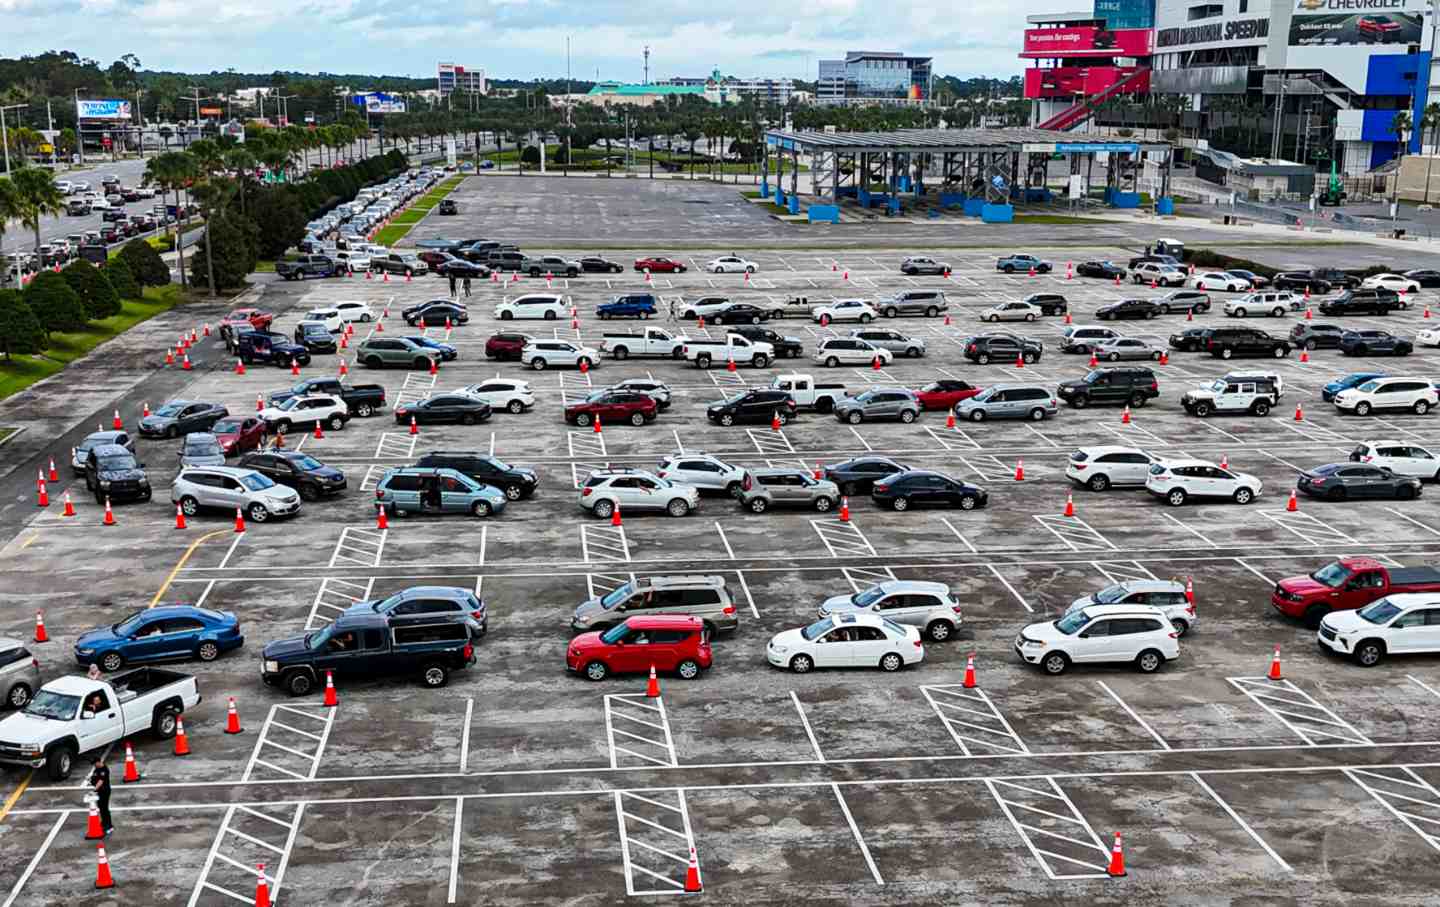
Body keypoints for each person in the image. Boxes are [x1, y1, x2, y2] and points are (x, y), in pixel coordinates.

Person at [89, 755, 113, 836]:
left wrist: (94, 790)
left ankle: (109, 825)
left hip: (105, 791)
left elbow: (100, 781)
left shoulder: (104, 770)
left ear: (99, 762)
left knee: (105, 808)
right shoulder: (97, 769)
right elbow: (94, 777)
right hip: (99, 791)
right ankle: (104, 822)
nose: (94, 765)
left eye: (95, 763)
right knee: (101, 807)